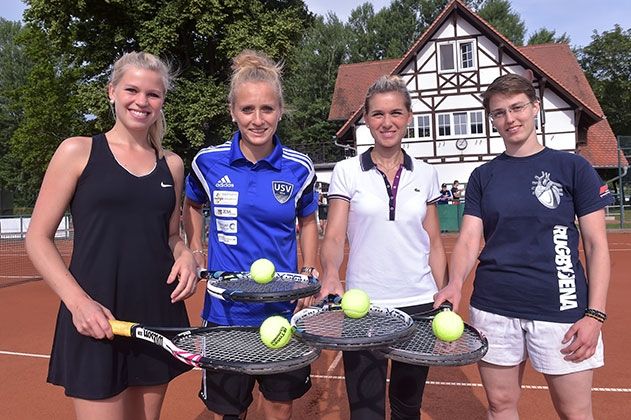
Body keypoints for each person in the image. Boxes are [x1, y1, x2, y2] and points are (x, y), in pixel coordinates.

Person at [25, 51, 199, 420]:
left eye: (153, 94)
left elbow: (170, 235)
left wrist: (185, 253)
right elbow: (37, 238)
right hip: (95, 315)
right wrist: (78, 303)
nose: (142, 101)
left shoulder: (172, 164)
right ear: (111, 92)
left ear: (162, 100)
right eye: (132, 90)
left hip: (156, 312)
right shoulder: (77, 151)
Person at [434, 73, 612, 419]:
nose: (509, 119)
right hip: (494, 308)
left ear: (534, 108)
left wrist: (595, 314)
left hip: (562, 310)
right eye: (499, 113)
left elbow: (596, 245)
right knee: (500, 405)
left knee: (575, 411)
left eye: (517, 108)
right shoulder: (483, 176)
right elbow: (470, 238)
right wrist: (455, 283)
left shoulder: (572, 167)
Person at [182, 49, 319, 420]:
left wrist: (310, 268)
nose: (258, 120)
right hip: (225, 313)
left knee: (278, 404)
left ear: (280, 110)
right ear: (232, 111)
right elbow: (192, 205)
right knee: (227, 411)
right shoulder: (206, 163)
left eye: (267, 109)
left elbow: (308, 221)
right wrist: (195, 248)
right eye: (247, 110)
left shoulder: (299, 168)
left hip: (281, 311)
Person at [318, 75, 448, 420]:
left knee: (408, 408)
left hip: (418, 304)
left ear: (408, 117)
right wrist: (331, 273)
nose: (386, 122)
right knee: (366, 411)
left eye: (395, 113)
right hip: (363, 307)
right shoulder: (346, 172)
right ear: (366, 119)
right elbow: (332, 237)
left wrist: (444, 295)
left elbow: (434, 241)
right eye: (377, 114)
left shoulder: (426, 174)